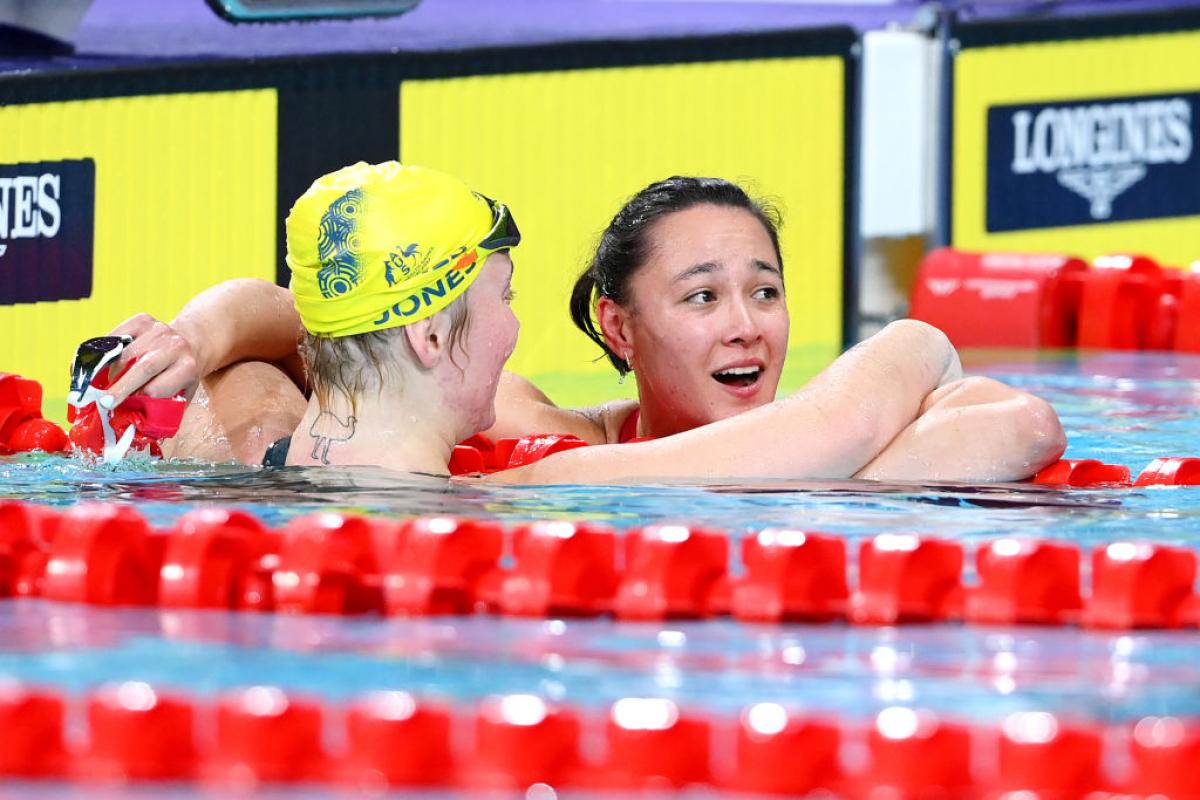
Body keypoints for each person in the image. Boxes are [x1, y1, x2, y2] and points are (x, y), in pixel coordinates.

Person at [95, 173, 1065, 482]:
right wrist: (921, 338)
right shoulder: (532, 485)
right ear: (433, 337)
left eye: (764, 290)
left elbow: (307, 311)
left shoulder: (234, 432)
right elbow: (1011, 427)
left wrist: (201, 331)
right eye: (503, 300)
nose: (516, 328)